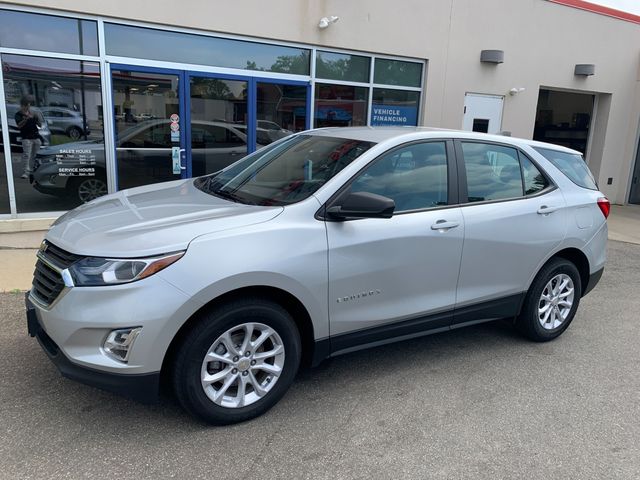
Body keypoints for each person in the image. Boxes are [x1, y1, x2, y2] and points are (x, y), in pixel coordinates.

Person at [14, 95, 42, 179]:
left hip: (36, 137)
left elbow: (39, 125)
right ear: (22, 106)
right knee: (27, 155)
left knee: (36, 155)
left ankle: (34, 171)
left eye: (28, 105)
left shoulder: (33, 113)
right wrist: (26, 119)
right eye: (25, 106)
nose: (27, 108)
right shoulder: (18, 114)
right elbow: (19, 126)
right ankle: (26, 172)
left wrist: (37, 119)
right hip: (26, 138)